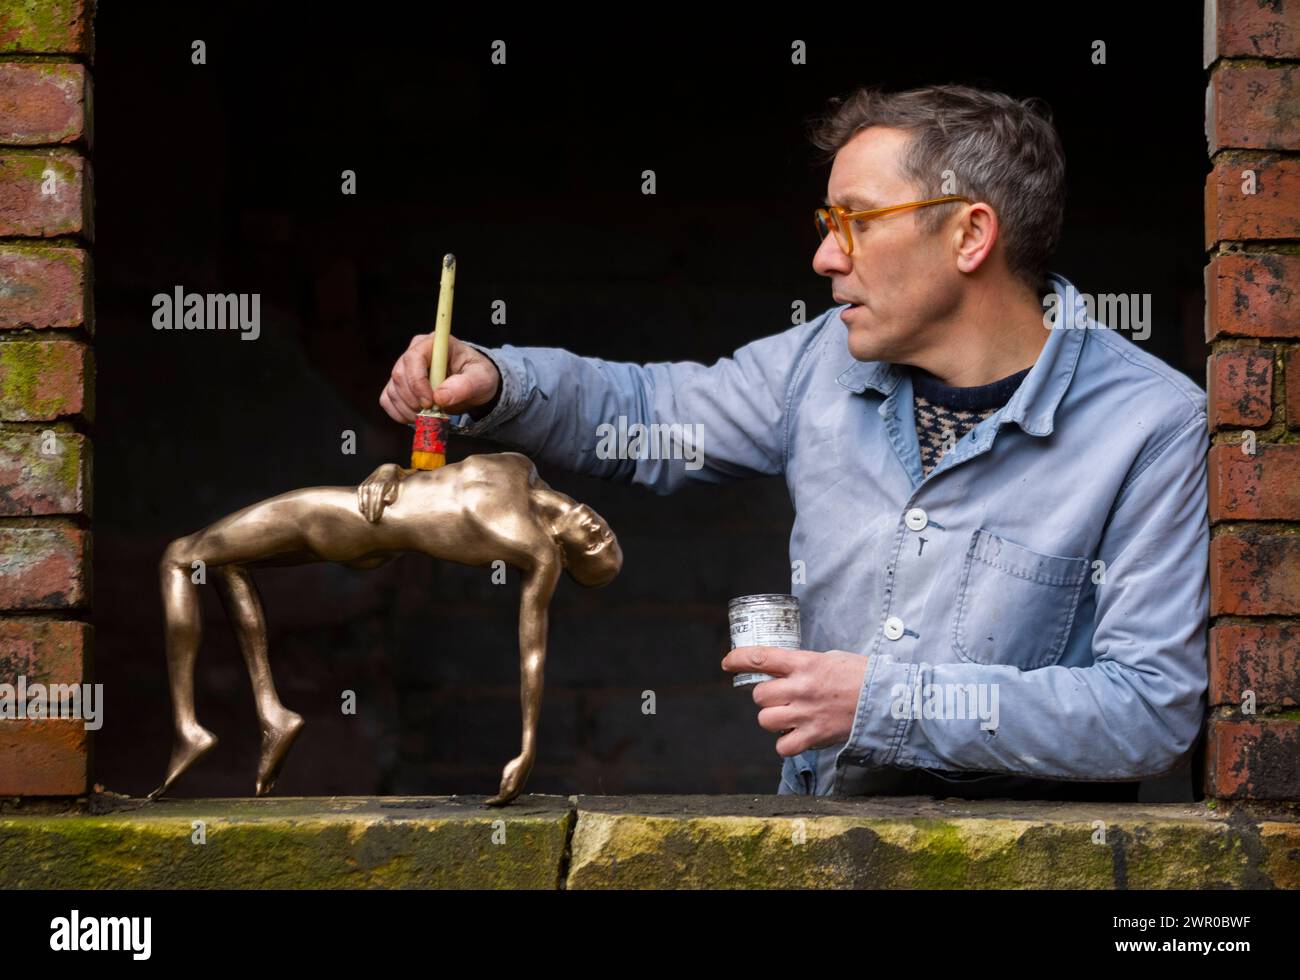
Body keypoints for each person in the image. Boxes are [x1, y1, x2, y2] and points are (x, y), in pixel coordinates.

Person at [378, 84, 1209, 800]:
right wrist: (497, 377)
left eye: (855, 222)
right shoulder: (817, 362)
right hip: (821, 847)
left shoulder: (1151, 427)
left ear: (969, 235)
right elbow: (652, 412)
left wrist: (882, 703)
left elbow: (1147, 710)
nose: (821, 256)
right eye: (826, 222)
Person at [151, 452, 622, 805]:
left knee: (180, 554)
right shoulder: (521, 466)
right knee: (227, 562)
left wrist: (527, 748)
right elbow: (431, 475)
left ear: (568, 554)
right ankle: (271, 713)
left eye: (595, 545)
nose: (598, 529)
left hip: (344, 520)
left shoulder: (534, 549)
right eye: (607, 534)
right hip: (369, 516)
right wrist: (390, 470)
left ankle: (188, 727)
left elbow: (532, 651)